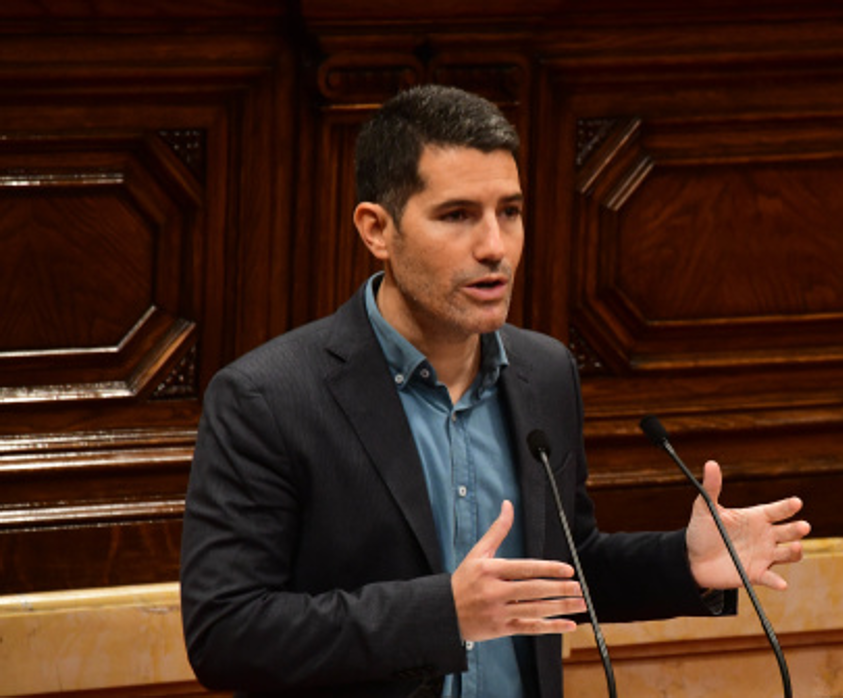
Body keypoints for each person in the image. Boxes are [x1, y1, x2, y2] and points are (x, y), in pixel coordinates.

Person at [179, 84, 811, 698]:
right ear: (377, 229)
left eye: (509, 212)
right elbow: (227, 633)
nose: (494, 247)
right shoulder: (269, 397)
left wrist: (685, 563)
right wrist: (441, 613)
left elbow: (563, 570)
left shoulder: (544, 373)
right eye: (457, 216)